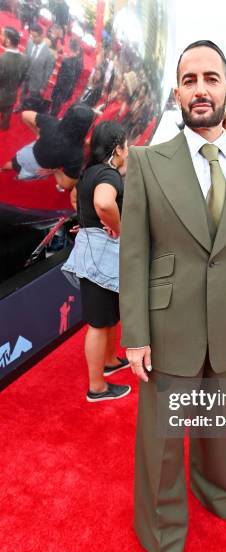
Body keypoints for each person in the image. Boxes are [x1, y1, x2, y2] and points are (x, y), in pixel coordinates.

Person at [119, 39, 226, 552]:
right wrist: (134, 333)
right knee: (163, 441)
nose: (201, 89)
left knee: (216, 425)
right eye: (190, 80)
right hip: (166, 324)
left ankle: (215, 492)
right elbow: (133, 251)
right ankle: (163, 532)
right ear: (176, 93)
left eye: (212, 78)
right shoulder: (145, 162)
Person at [63, 121, 131, 402]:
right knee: (99, 322)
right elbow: (103, 203)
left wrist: (90, 224)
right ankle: (97, 388)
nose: (128, 151)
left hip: (95, 252)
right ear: (117, 148)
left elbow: (79, 203)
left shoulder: (89, 172)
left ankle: (111, 361)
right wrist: (119, 227)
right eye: (126, 146)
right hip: (101, 255)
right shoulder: (108, 174)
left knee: (108, 316)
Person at [2, 102, 94, 189]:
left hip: (29, 154)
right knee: (25, 176)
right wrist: (56, 171)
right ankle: (18, 178)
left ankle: (2, 169)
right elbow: (67, 184)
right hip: (41, 168)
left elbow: (25, 114)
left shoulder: (51, 123)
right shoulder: (77, 153)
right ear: (87, 127)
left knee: (13, 164)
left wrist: (37, 133)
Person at [0, 26, 29, 130]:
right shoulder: (25, 59)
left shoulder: (1, 59)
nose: (1, 37)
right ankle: (4, 126)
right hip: (12, 95)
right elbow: (23, 79)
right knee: (6, 118)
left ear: (8, 41)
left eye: (2, 35)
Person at [21, 24, 55, 103]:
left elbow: (48, 72)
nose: (32, 38)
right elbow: (25, 57)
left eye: (35, 36)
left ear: (41, 36)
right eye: (31, 35)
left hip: (37, 82)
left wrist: (43, 87)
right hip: (25, 76)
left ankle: (27, 109)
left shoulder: (49, 54)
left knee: (32, 100)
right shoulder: (29, 42)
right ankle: (20, 105)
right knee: (22, 93)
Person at [50, 38, 83, 116]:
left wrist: (57, 90)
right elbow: (75, 79)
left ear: (70, 48)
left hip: (60, 89)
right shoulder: (79, 64)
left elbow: (62, 78)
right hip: (67, 90)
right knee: (57, 108)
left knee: (55, 107)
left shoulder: (66, 61)